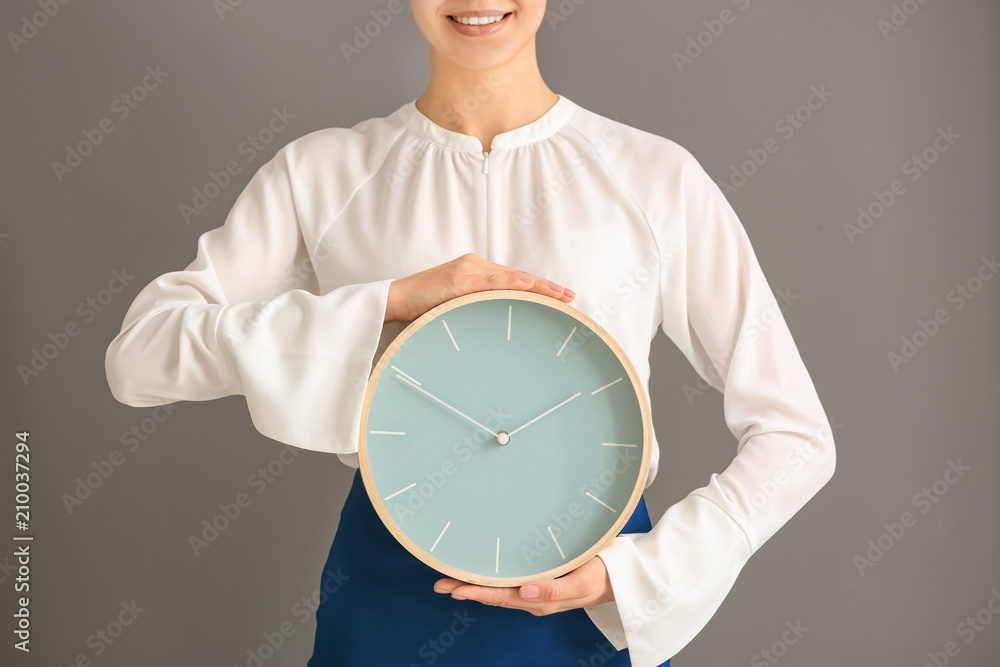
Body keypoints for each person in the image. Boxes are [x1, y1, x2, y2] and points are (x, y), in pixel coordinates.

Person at [104, 2, 836, 665]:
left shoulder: (654, 178)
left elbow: (796, 436)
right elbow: (139, 356)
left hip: (586, 598)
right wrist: (387, 302)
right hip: (387, 597)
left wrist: (636, 574)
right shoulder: (322, 173)